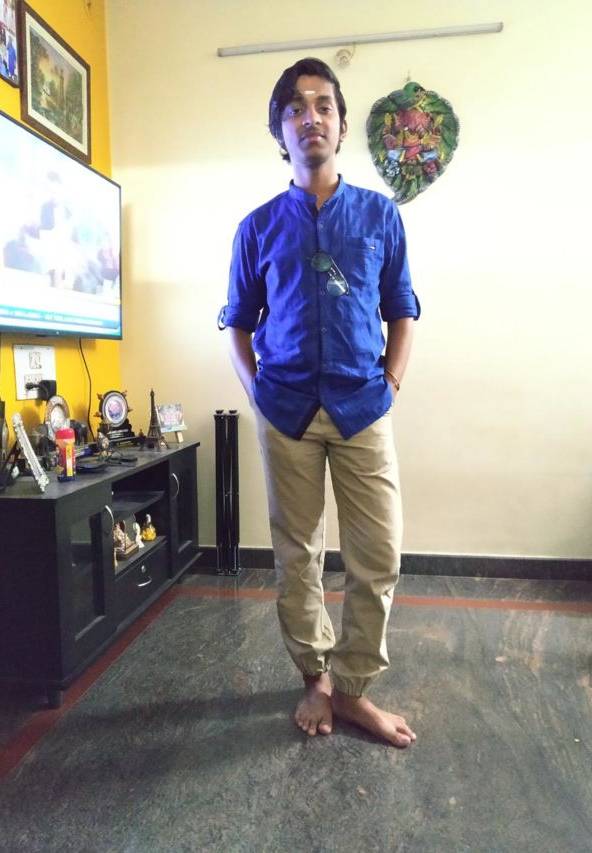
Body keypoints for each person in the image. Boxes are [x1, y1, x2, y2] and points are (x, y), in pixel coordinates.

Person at [220, 58, 420, 748]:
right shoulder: (256, 227)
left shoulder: (379, 214)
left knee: (379, 553)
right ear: (281, 129)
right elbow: (238, 322)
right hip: (287, 412)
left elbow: (401, 307)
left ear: (340, 122)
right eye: (297, 107)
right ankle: (315, 677)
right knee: (298, 554)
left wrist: (391, 382)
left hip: (363, 406)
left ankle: (355, 689)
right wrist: (256, 392)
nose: (312, 117)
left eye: (324, 105)